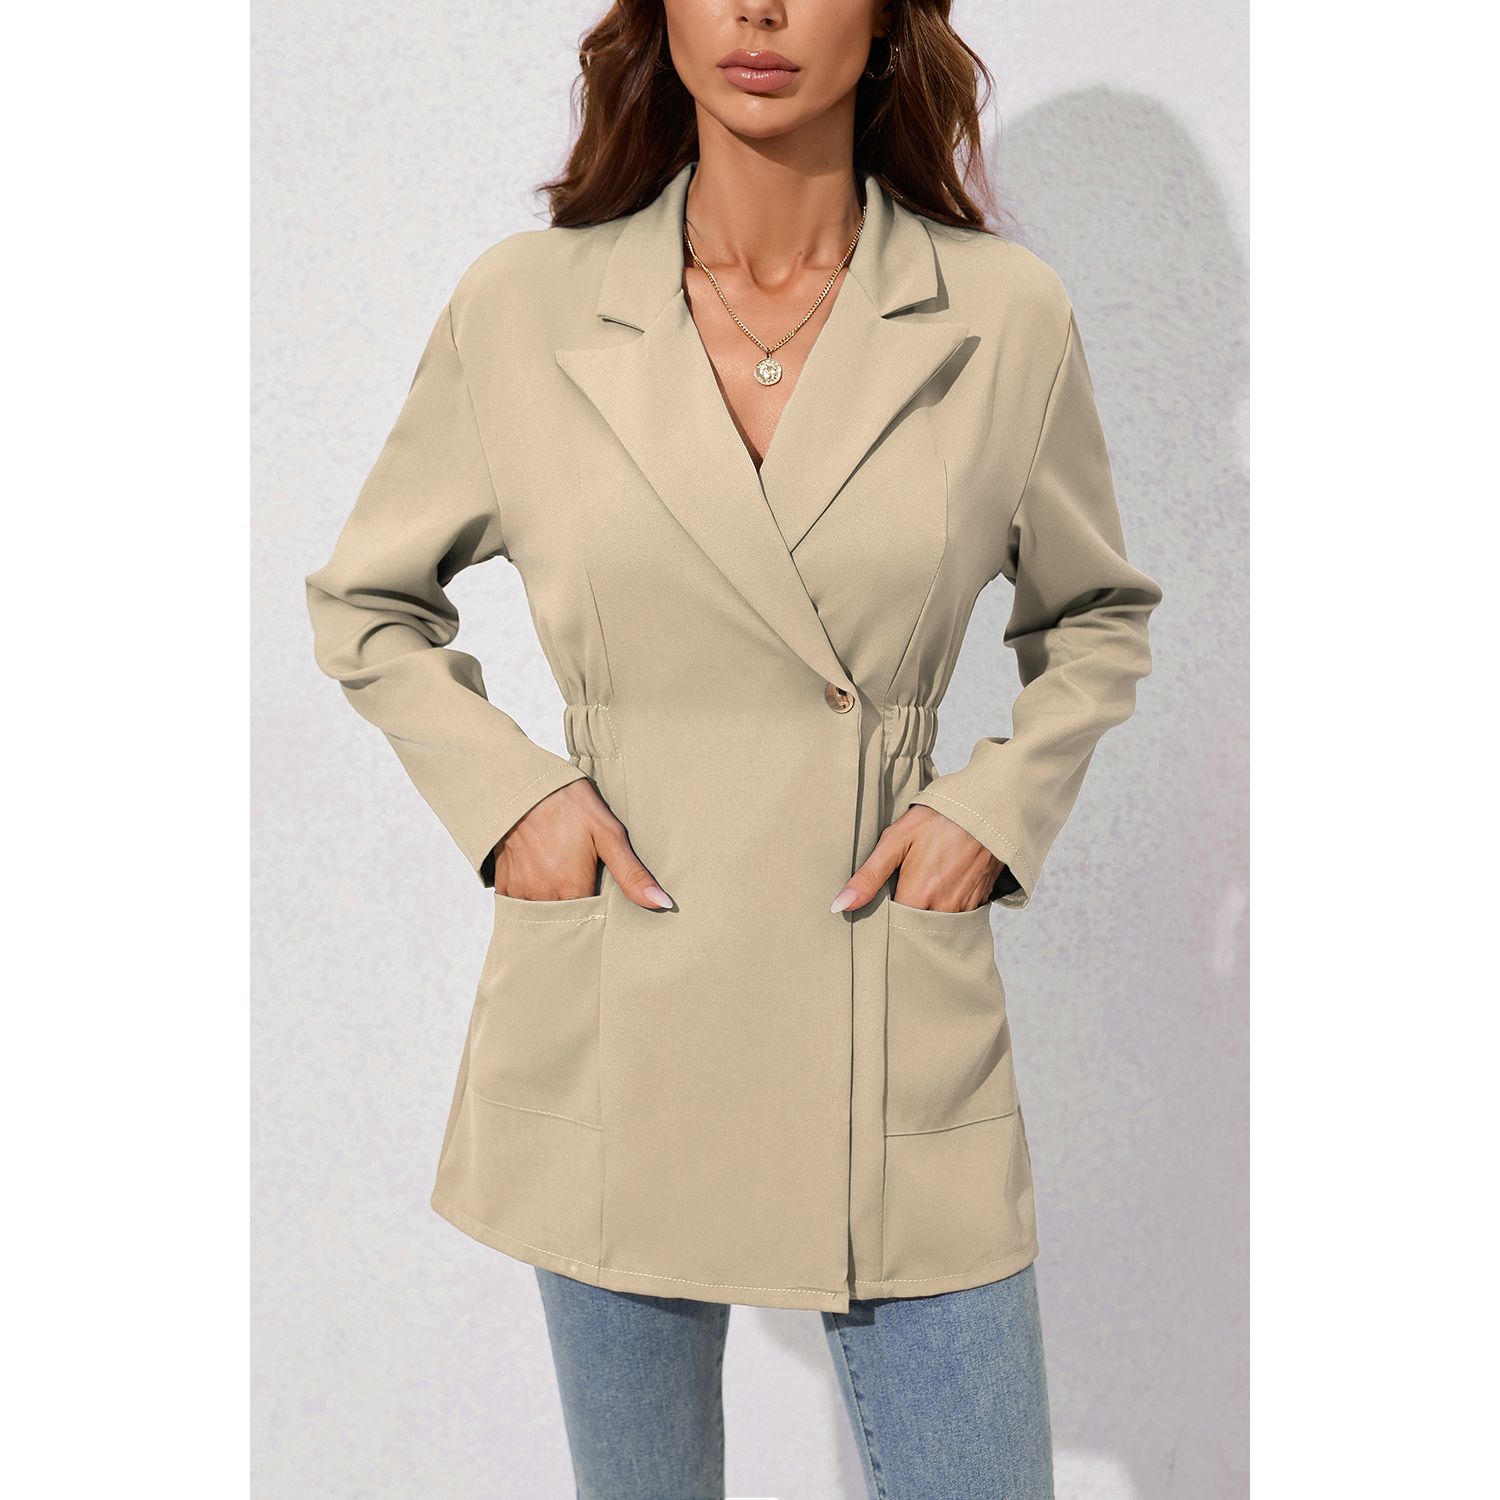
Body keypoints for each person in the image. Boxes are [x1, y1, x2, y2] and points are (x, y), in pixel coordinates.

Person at [304, 2, 1163, 1495]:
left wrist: (993, 810)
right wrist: (515, 804)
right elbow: (367, 602)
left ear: (888, 21)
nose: (759, 10)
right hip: (619, 982)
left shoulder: (1002, 314)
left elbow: (1095, 615)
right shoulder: (526, 305)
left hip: (883, 987)